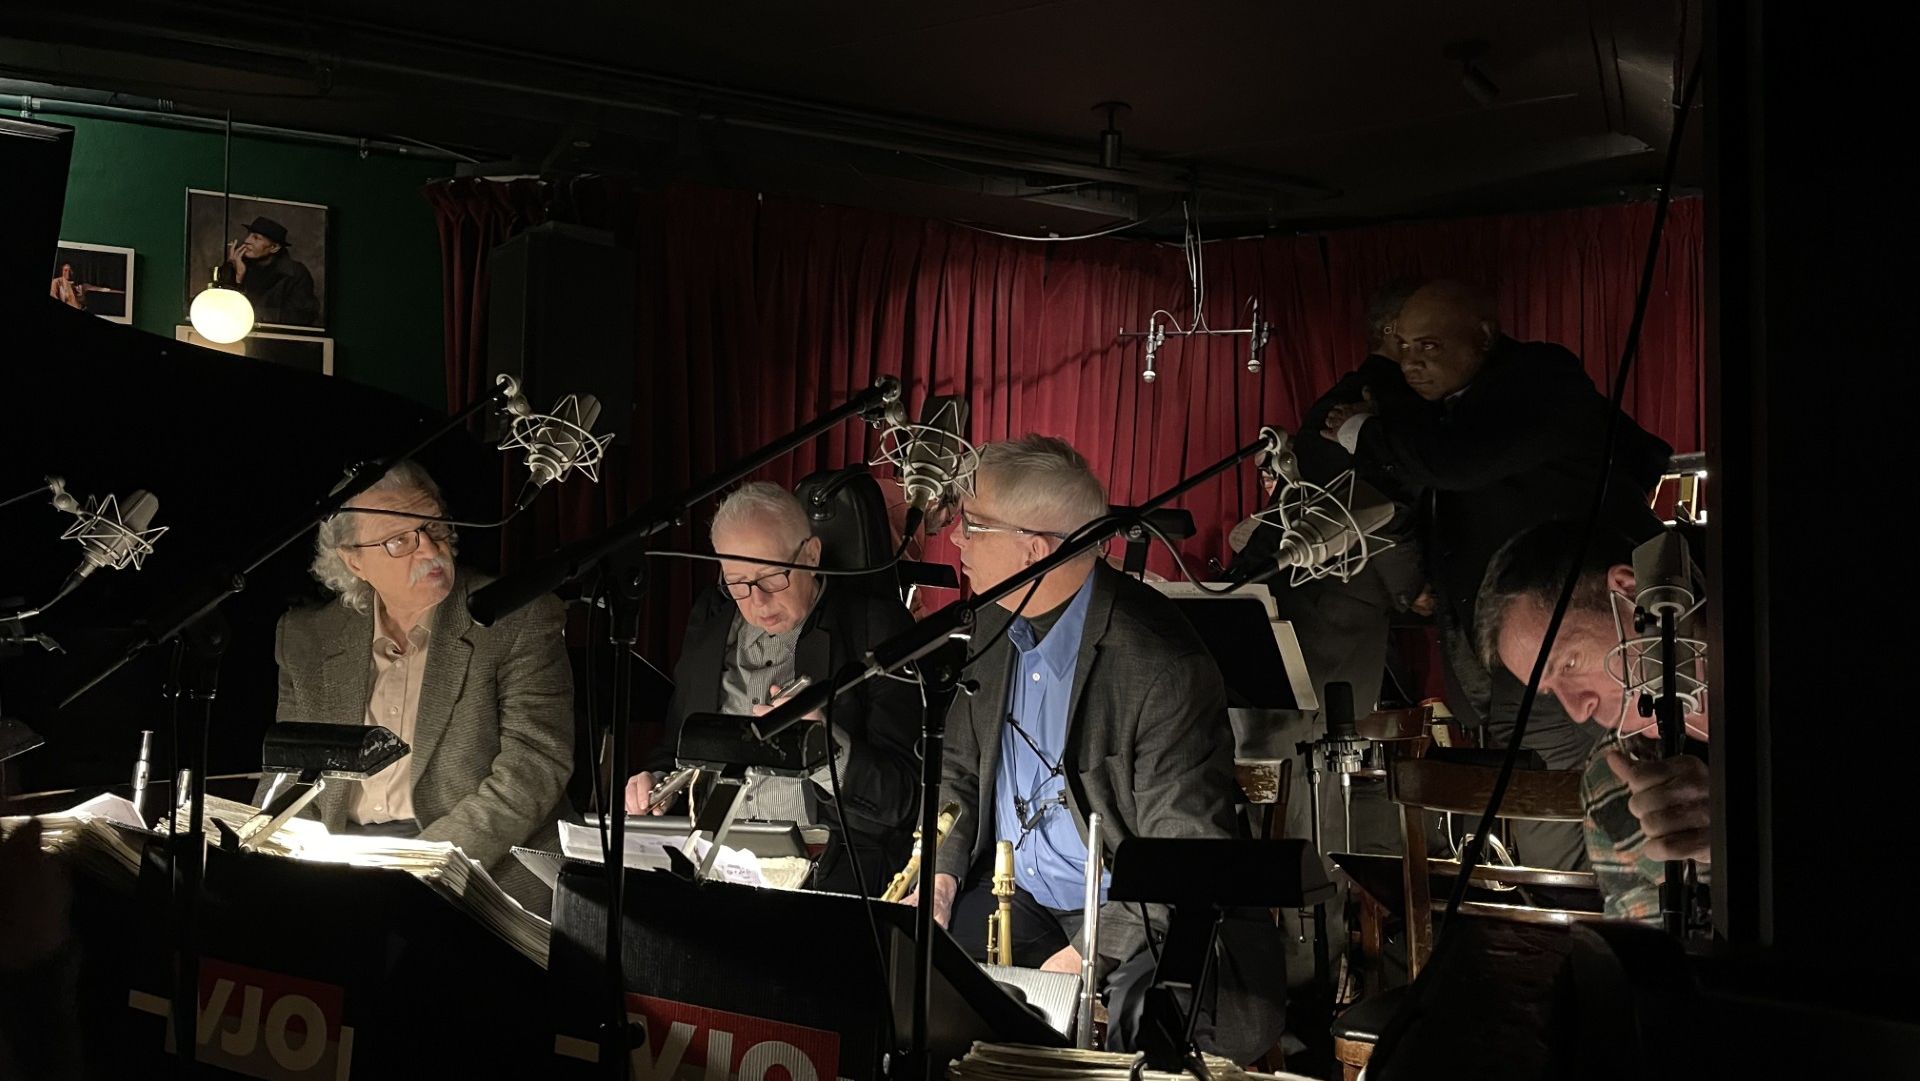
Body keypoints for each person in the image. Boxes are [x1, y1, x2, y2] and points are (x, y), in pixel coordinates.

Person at [916, 435, 1281, 1061]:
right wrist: (942, 876)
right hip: (1017, 897)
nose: (956, 540)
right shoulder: (990, 625)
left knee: (1143, 1025)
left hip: (1134, 915)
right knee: (911, 974)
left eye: (973, 525)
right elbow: (958, 770)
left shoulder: (1162, 665)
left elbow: (1181, 855)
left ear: (1033, 549)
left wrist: (1087, 954)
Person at [1322, 278, 1673, 869]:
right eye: (1399, 347)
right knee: (1547, 804)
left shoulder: (1538, 378)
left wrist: (1362, 426)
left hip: (1578, 633)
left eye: (1427, 346)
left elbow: (1450, 463)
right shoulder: (1443, 410)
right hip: (1505, 643)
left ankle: (1582, 935)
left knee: (1554, 814)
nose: (1410, 364)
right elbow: (1411, 473)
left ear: (1483, 337)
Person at [261, 460, 574, 914]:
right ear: (354, 560)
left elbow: (534, 766)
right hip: (342, 863)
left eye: (433, 527)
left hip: (482, 869)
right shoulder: (305, 639)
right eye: (399, 541)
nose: (428, 549)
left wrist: (416, 865)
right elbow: (289, 771)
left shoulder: (519, 615)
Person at [623, 482, 921, 895]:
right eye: (738, 583)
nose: (757, 602)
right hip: (711, 865)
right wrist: (655, 781)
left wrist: (823, 749)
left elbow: (903, 800)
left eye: (771, 578)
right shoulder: (711, 623)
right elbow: (676, 743)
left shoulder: (876, 629)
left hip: (821, 870)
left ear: (812, 555)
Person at [1475, 521, 1710, 920]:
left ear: (1632, 593)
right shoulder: (1613, 784)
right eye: (1550, 691)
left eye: (1569, 662)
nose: (1577, 709)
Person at [227, 216, 319, 326]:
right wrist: (234, 274)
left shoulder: (295, 274)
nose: (247, 241)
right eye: (249, 235)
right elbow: (221, 309)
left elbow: (299, 318)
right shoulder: (237, 265)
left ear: (274, 247)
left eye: (256, 238)